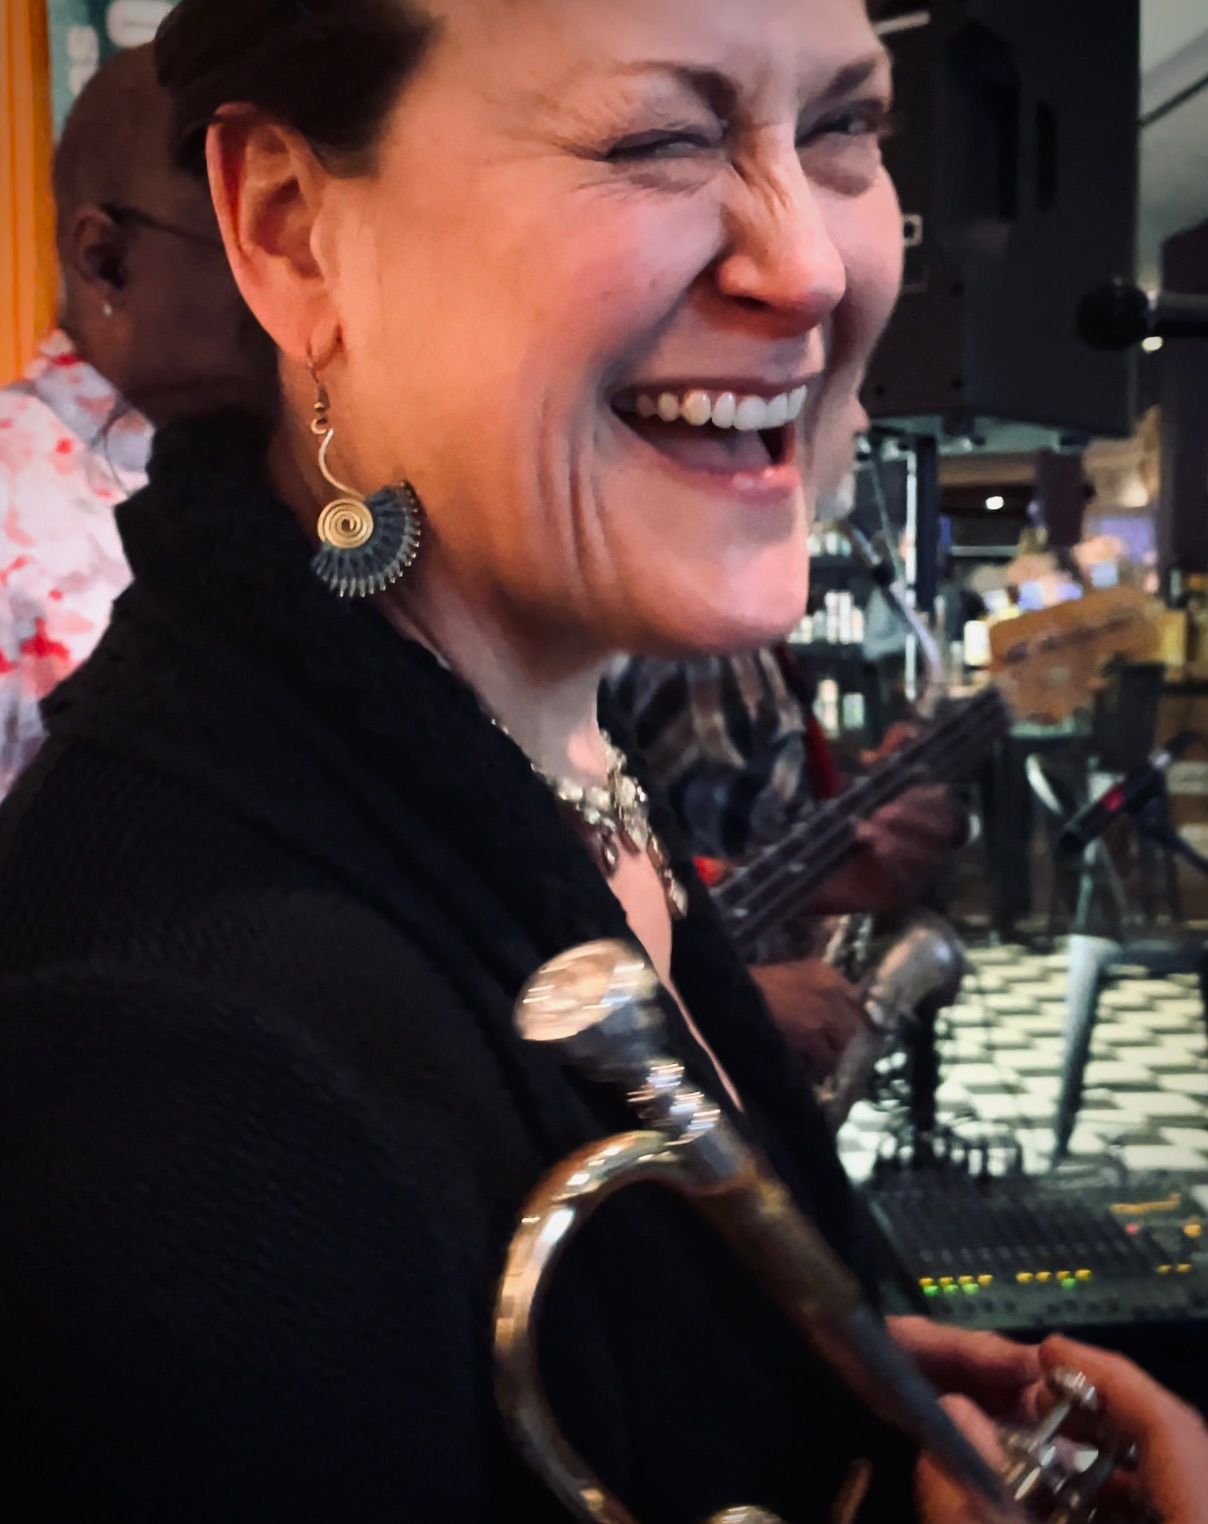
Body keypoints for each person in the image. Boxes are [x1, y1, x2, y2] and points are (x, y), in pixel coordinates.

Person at [0, 2, 1194, 1520]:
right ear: (293, 232)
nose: (813, 266)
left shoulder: (536, 739)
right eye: (657, 137)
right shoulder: (175, 1100)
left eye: (842, 126)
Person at [0, 44, 273, 793]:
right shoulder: (12, 513)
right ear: (106, 261)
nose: (292, 283)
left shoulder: (302, 486)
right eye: (243, 245)